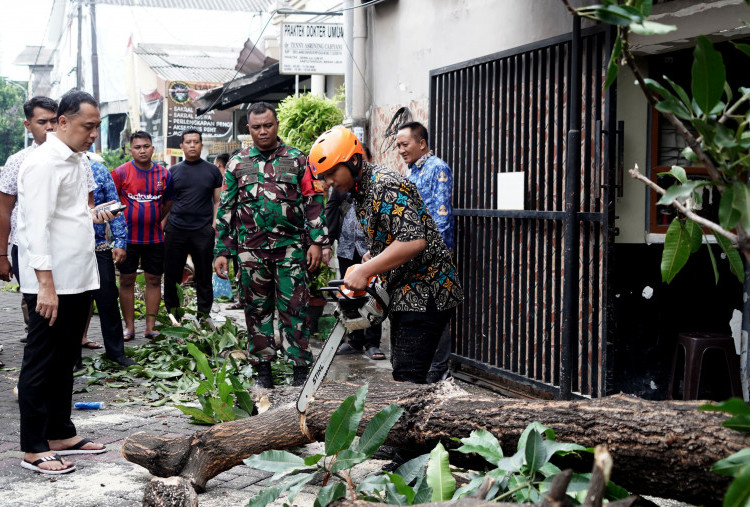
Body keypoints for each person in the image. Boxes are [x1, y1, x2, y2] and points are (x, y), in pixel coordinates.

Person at [309, 126, 463, 384]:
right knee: (404, 371)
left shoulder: (384, 185)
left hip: (426, 289)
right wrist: (375, 254)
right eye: (324, 176)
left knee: (408, 376)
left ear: (354, 160)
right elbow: (395, 232)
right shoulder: (361, 191)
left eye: (332, 172)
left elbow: (414, 240)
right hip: (406, 289)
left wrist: (364, 270)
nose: (329, 182)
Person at [16, 90, 116, 474]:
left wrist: (92, 215)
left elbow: (69, 213)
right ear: (62, 122)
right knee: (41, 361)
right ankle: (33, 446)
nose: (93, 134)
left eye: (96, 127)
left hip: (78, 276)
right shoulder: (43, 163)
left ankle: (60, 432)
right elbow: (33, 226)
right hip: (52, 281)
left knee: (65, 359)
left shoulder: (77, 160)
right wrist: (44, 284)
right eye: (87, 126)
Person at [214, 102, 329, 388]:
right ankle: (263, 368)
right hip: (250, 251)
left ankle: (299, 368)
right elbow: (226, 207)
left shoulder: (298, 159)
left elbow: (313, 201)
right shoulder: (237, 163)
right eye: (256, 127)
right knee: (256, 311)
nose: (263, 132)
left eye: (268, 125)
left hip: (291, 248)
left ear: (277, 124)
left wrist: (317, 242)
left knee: (295, 309)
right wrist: (222, 251)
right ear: (248, 129)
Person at [0, 97, 60, 355]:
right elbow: (4, 210)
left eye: (54, 121)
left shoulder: (74, 158)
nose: (49, 127)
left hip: (62, 245)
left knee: (66, 303)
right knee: (37, 304)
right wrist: (2, 254)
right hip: (25, 246)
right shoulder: (17, 161)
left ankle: (64, 359)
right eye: (42, 121)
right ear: (28, 125)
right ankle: (38, 364)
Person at [396, 121, 455, 383]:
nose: (400, 150)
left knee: (436, 308)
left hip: (433, 254)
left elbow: (442, 215)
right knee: (419, 310)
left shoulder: (437, 168)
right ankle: (424, 365)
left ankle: (439, 369)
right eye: (398, 145)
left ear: (421, 143)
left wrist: (439, 253)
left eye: (405, 144)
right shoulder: (411, 171)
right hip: (413, 254)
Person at [112, 131, 174, 339]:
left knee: (154, 280)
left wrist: (156, 220)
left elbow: (168, 203)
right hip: (127, 239)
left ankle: (150, 327)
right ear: (130, 150)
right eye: (137, 147)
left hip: (155, 238)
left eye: (146, 146)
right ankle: (129, 328)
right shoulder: (120, 173)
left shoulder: (164, 174)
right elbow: (113, 205)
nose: (142, 150)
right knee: (127, 281)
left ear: (152, 148)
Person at [324, 146, 385, 361]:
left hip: (371, 250)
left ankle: (372, 343)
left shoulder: (377, 186)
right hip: (347, 247)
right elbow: (331, 211)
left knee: (374, 294)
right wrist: (327, 243)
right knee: (349, 295)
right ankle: (355, 340)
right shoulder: (341, 185)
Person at [81, 151, 135, 367]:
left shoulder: (99, 171)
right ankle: (71, 358)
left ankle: (116, 353)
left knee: (107, 299)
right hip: (69, 249)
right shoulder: (55, 169)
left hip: (98, 246)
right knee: (73, 304)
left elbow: (115, 206)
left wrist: (120, 242)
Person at [163, 129, 222, 320]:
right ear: (181, 146)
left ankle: (203, 317)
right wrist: (163, 226)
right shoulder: (173, 171)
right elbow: (167, 202)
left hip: (202, 231)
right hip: (176, 229)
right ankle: (173, 316)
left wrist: (213, 225)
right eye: (188, 142)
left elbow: (217, 201)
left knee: (204, 276)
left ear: (201, 145)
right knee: (172, 276)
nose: (192, 145)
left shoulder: (212, 171)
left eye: (196, 142)